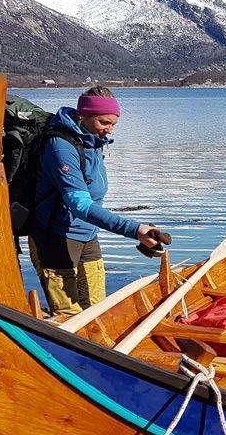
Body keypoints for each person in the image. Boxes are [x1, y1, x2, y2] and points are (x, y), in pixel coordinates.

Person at [27, 86, 168, 317]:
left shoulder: (93, 142)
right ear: (83, 115)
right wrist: (135, 230)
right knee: (69, 317)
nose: (109, 130)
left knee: (98, 310)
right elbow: (79, 204)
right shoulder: (60, 147)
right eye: (104, 123)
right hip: (55, 238)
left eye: (114, 124)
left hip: (88, 236)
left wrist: (144, 237)